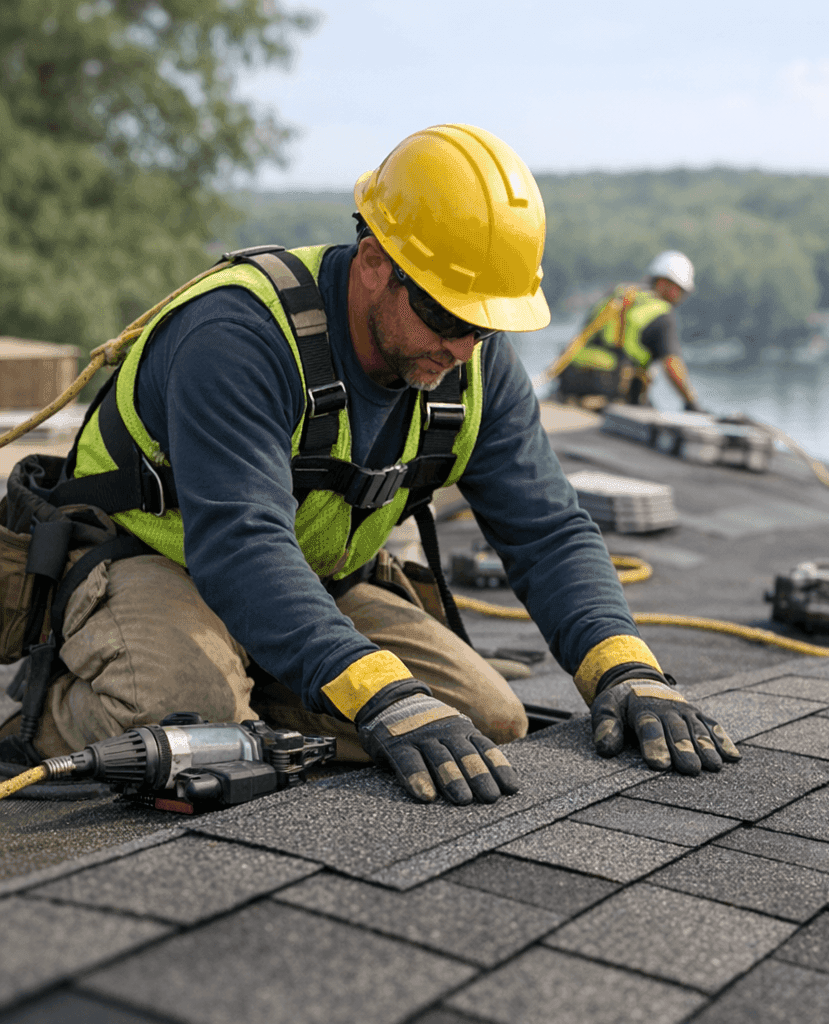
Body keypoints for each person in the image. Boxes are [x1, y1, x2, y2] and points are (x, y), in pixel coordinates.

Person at [0, 125, 739, 803]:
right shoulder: (239, 335)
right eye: (448, 317)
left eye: (484, 326)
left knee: (489, 721)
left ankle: (261, 680)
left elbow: (547, 530)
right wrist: (380, 694)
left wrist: (626, 665)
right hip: (152, 559)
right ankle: (50, 721)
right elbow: (241, 544)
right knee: (192, 716)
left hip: (309, 578)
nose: (463, 350)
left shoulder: (473, 364)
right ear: (377, 260)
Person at [557, 251, 703, 411]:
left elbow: (584, 334)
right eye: (680, 291)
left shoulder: (616, 295)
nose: (681, 297)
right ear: (665, 284)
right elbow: (672, 365)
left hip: (571, 382)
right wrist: (692, 402)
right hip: (613, 390)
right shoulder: (662, 314)